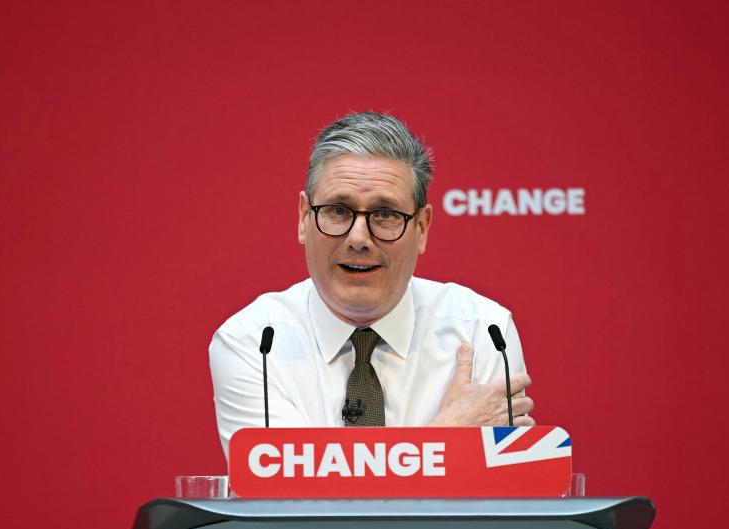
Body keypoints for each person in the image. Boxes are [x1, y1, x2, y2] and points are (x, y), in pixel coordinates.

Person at [210, 112, 534, 457]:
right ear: (305, 218)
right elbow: (291, 501)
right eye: (338, 210)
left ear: (421, 228)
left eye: (386, 214)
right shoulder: (254, 342)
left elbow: (497, 496)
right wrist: (448, 436)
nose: (359, 238)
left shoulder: (484, 331)